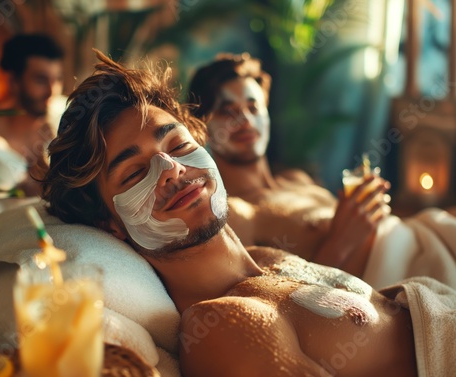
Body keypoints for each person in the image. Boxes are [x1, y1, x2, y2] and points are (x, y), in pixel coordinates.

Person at [40, 50, 456, 377]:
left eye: (180, 146)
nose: (172, 169)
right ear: (109, 225)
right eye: (133, 173)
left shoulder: (271, 260)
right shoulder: (221, 326)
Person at [187, 53, 456, 286]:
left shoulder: (297, 177)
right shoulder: (238, 214)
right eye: (227, 111)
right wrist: (341, 240)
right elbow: (288, 301)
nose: (244, 119)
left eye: (252, 106)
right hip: (409, 277)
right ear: (201, 129)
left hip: (419, 238)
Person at [0, 33, 64, 196]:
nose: (52, 91)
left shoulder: (59, 128)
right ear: (14, 82)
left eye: (56, 80)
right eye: (41, 80)